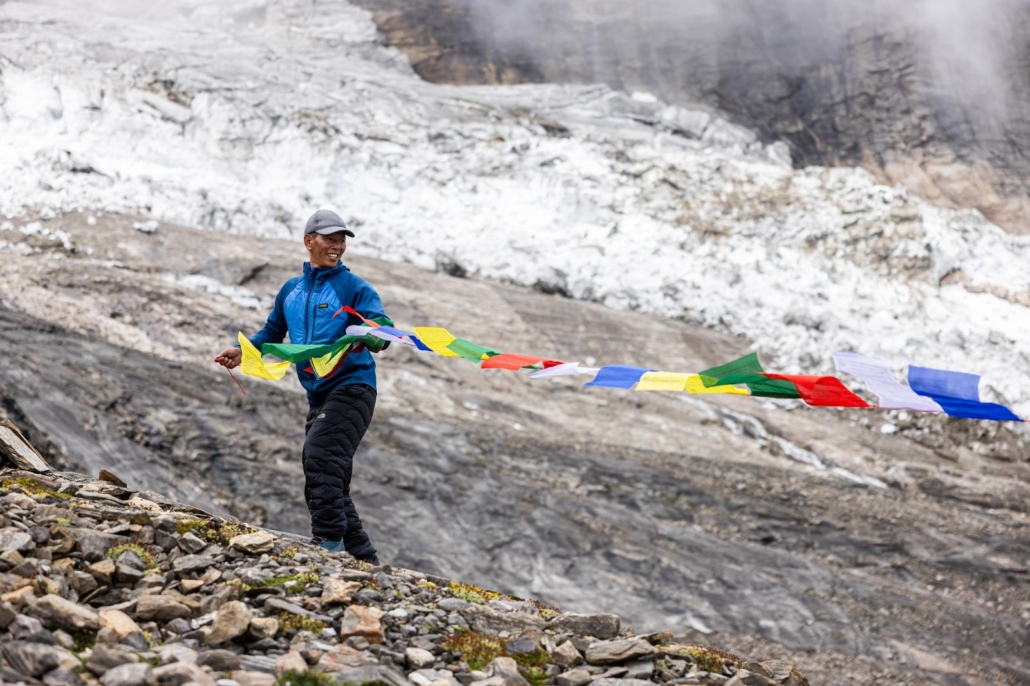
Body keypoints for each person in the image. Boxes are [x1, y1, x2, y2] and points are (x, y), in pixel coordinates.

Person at [215, 209, 388, 563]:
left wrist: (373, 334)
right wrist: (243, 351)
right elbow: (271, 334)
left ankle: (328, 543)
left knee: (320, 456)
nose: (337, 245)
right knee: (327, 472)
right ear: (309, 241)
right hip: (319, 392)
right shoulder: (290, 290)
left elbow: (383, 331)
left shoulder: (354, 287)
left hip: (353, 386)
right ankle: (363, 556)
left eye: (342, 239)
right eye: (330, 238)